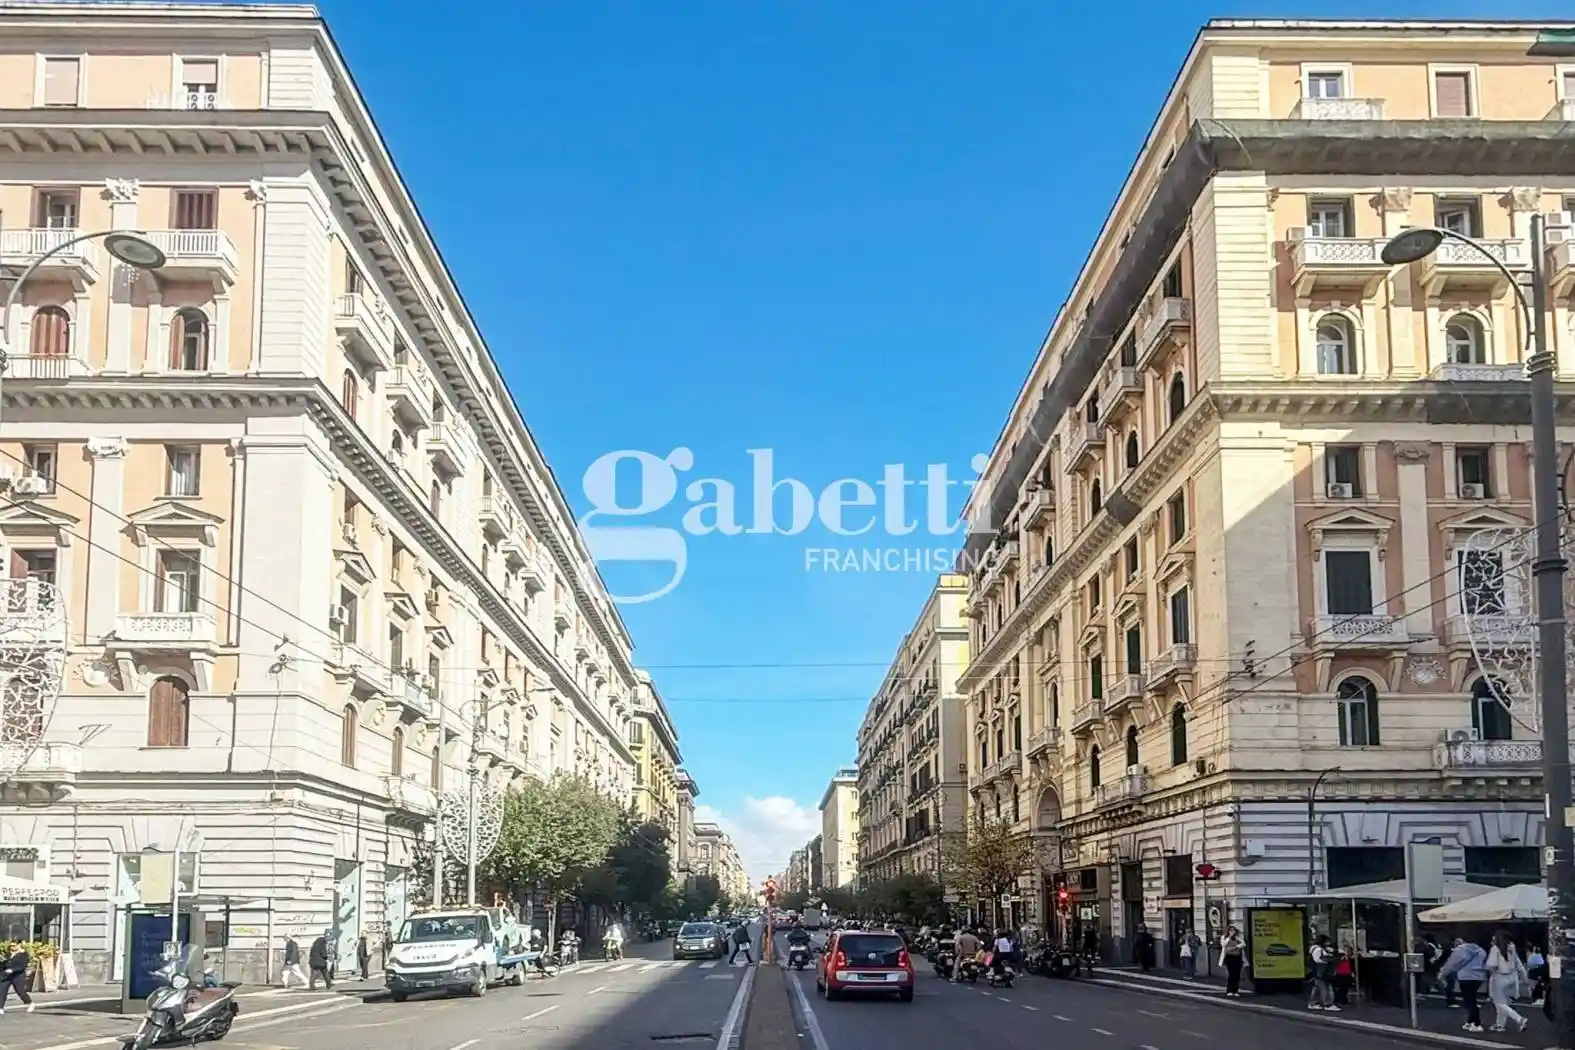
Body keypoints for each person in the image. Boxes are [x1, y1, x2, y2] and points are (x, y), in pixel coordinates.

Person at [1439, 935, 1488, 1032]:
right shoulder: (1481, 950)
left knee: (1469, 1000)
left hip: (1465, 976)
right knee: (1471, 998)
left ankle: (1476, 1023)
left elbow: (1452, 963)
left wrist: (1443, 973)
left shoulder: (1461, 950)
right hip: (1479, 977)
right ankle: (1470, 1021)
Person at [1486, 931, 1528, 1033]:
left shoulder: (1495, 949)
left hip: (1500, 977)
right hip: (1512, 977)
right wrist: (1524, 978)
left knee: (1499, 1002)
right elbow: (1518, 963)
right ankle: (1500, 1025)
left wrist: (1491, 972)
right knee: (1504, 1002)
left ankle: (1519, 1019)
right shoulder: (1512, 948)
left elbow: (1491, 965)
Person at [0, 942, 33, 1014]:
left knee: (20, 991)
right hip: (6, 975)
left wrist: (13, 970)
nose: (12, 947)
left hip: (18, 975)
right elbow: (4, 964)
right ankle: (0, 1007)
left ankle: (29, 1003)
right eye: (10, 945)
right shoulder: (8, 953)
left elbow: (23, 965)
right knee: (2, 990)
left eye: (14, 945)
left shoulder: (24, 954)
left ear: (19, 945)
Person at [1308, 934, 1337, 1011]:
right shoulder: (1318, 949)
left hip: (1317, 970)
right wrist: (1330, 959)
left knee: (1317, 987)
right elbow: (1319, 959)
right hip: (1322, 970)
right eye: (1327, 941)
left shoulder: (1313, 948)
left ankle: (1314, 1003)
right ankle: (1328, 1004)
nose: (1328, 943)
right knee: (1326, 987)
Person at [1218, 925, 1245, 997]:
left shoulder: (1238, 938)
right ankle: (1229, 990)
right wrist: (1229, 937)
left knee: (1237, 974)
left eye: (1233, 930)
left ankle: (1235, 990)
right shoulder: (1224, 937)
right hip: (1229, 958)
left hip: (1237, 957)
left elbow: (1243, 944)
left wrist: (1234, 947)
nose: (1232, 932)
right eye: (1230, 930)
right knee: (1231, 973)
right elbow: (1223, 945)